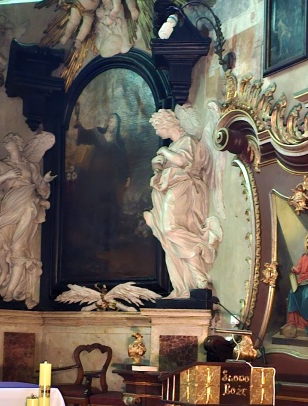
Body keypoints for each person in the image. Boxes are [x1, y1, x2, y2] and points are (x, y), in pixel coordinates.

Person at [142, 107, 221, 298]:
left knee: (170, 229)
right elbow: (165, 166)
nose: (157, 133)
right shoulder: (175, 145)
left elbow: (182, 161)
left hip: (184, 188)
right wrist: (157, 165)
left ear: (166, 125)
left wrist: (164, 151)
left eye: (157, 128)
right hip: (171, 188)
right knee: (169, 238)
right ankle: (188, 284)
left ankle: (203, 248)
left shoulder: (188, 141)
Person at [0, 133, 56, 307]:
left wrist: (45, 180)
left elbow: (40, 187)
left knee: (18, 249)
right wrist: (7, 175)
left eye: (9, 142)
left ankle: (10, 291)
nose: (6, 145)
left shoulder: (30, 166)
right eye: (5, 143)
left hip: (28, 205)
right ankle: (4, 271)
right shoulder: (1, 165)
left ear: (18, 144)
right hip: (10, 205)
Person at [72, 110, 129, 246]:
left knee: (109, 207)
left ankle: (106, 239)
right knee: (93, 204)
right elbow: (85, 135)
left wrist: (126, 177)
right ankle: (90, 237)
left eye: (114, 119)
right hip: (94, 176)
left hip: (108, 179)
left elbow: (123, 161)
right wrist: (79, 127)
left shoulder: (118, 143)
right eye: (110, 118)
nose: (111, 120)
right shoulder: (98, 134)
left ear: (117, 124)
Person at [279, 232, 308, 340]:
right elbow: (298, 270)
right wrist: (294, 269)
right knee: (292, 293)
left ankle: (306, 321)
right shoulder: (303, 257)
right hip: (301, 282)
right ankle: (295, 321)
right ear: (306, 244)